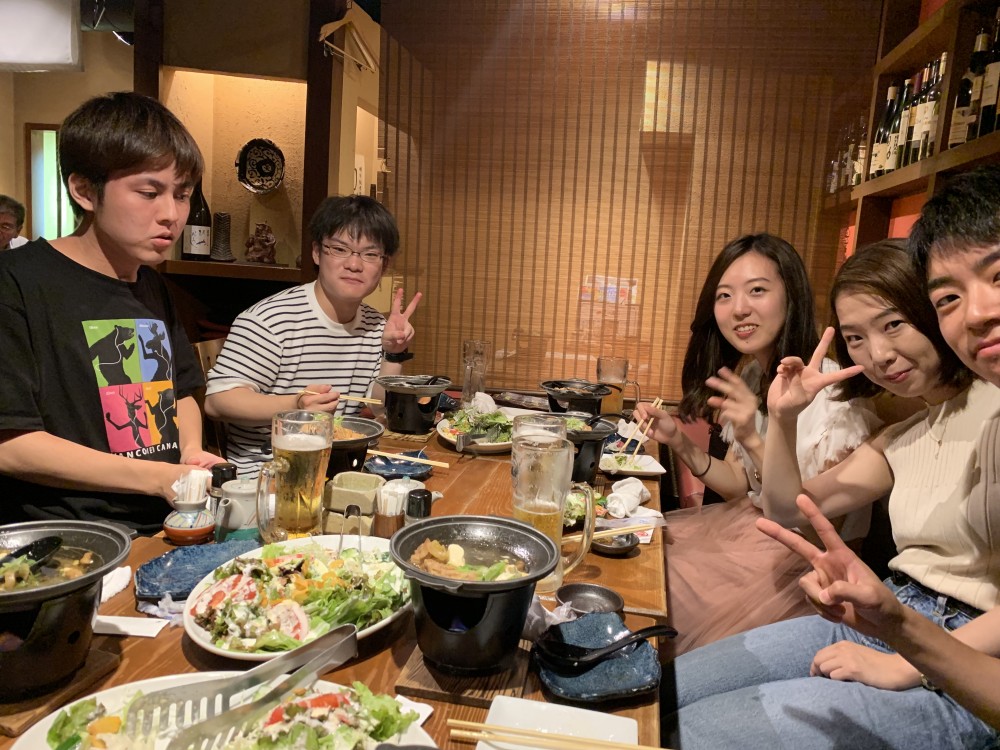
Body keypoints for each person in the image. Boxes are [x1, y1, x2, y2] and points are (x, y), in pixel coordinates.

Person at [666, 234, 1000, 747]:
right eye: (856, 337)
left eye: (893, 324)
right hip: (890, 613)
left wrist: (907, 660)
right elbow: (787, 508)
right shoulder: (903, 435)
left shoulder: (991, 408)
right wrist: (782, 419)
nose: (879, 354)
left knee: (693, 735)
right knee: (665, 694)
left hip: (965, 656)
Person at [633, 233, 878, 655]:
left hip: (799, 565)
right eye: (724, 295)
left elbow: (820, 534)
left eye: (757, 290)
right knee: (641, 552)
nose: (739, 309)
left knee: (654, 597)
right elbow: (740, 484)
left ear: (791, 295)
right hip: (747, 529)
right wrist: (678, 442)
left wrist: (752, 436)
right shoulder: (752, 375)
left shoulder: (831, 394)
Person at [0, 92, 220, 533]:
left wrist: (191, 453)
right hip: (68, 534)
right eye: (149, 193)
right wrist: (159, 478)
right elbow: (10, 444)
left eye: (182, 195)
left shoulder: (152, 285)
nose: (171, 215)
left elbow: (180, 393)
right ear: (84, 190)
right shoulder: (17, 282)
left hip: (164, 519)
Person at [205, 195, 421, 477]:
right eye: (340, 249)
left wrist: (392, 352)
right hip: (269, 476)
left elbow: (379, 408)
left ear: (384, 265)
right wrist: (295, 405)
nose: (354, 264)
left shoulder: (375, 326)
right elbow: (218, 400)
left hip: (340, 471)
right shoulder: (270, 320)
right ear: (317, 253)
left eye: (370, 254)